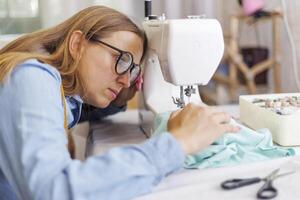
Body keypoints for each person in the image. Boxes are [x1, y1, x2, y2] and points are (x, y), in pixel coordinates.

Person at [0, 6, 239, 200]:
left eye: (133, 69)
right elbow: (53, 190)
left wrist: (119, 99)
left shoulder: (65, 94)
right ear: (77, 45)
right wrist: (180, 142)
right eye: (121, 59)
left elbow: (76, 112)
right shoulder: (32, 77)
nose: (126, 80)